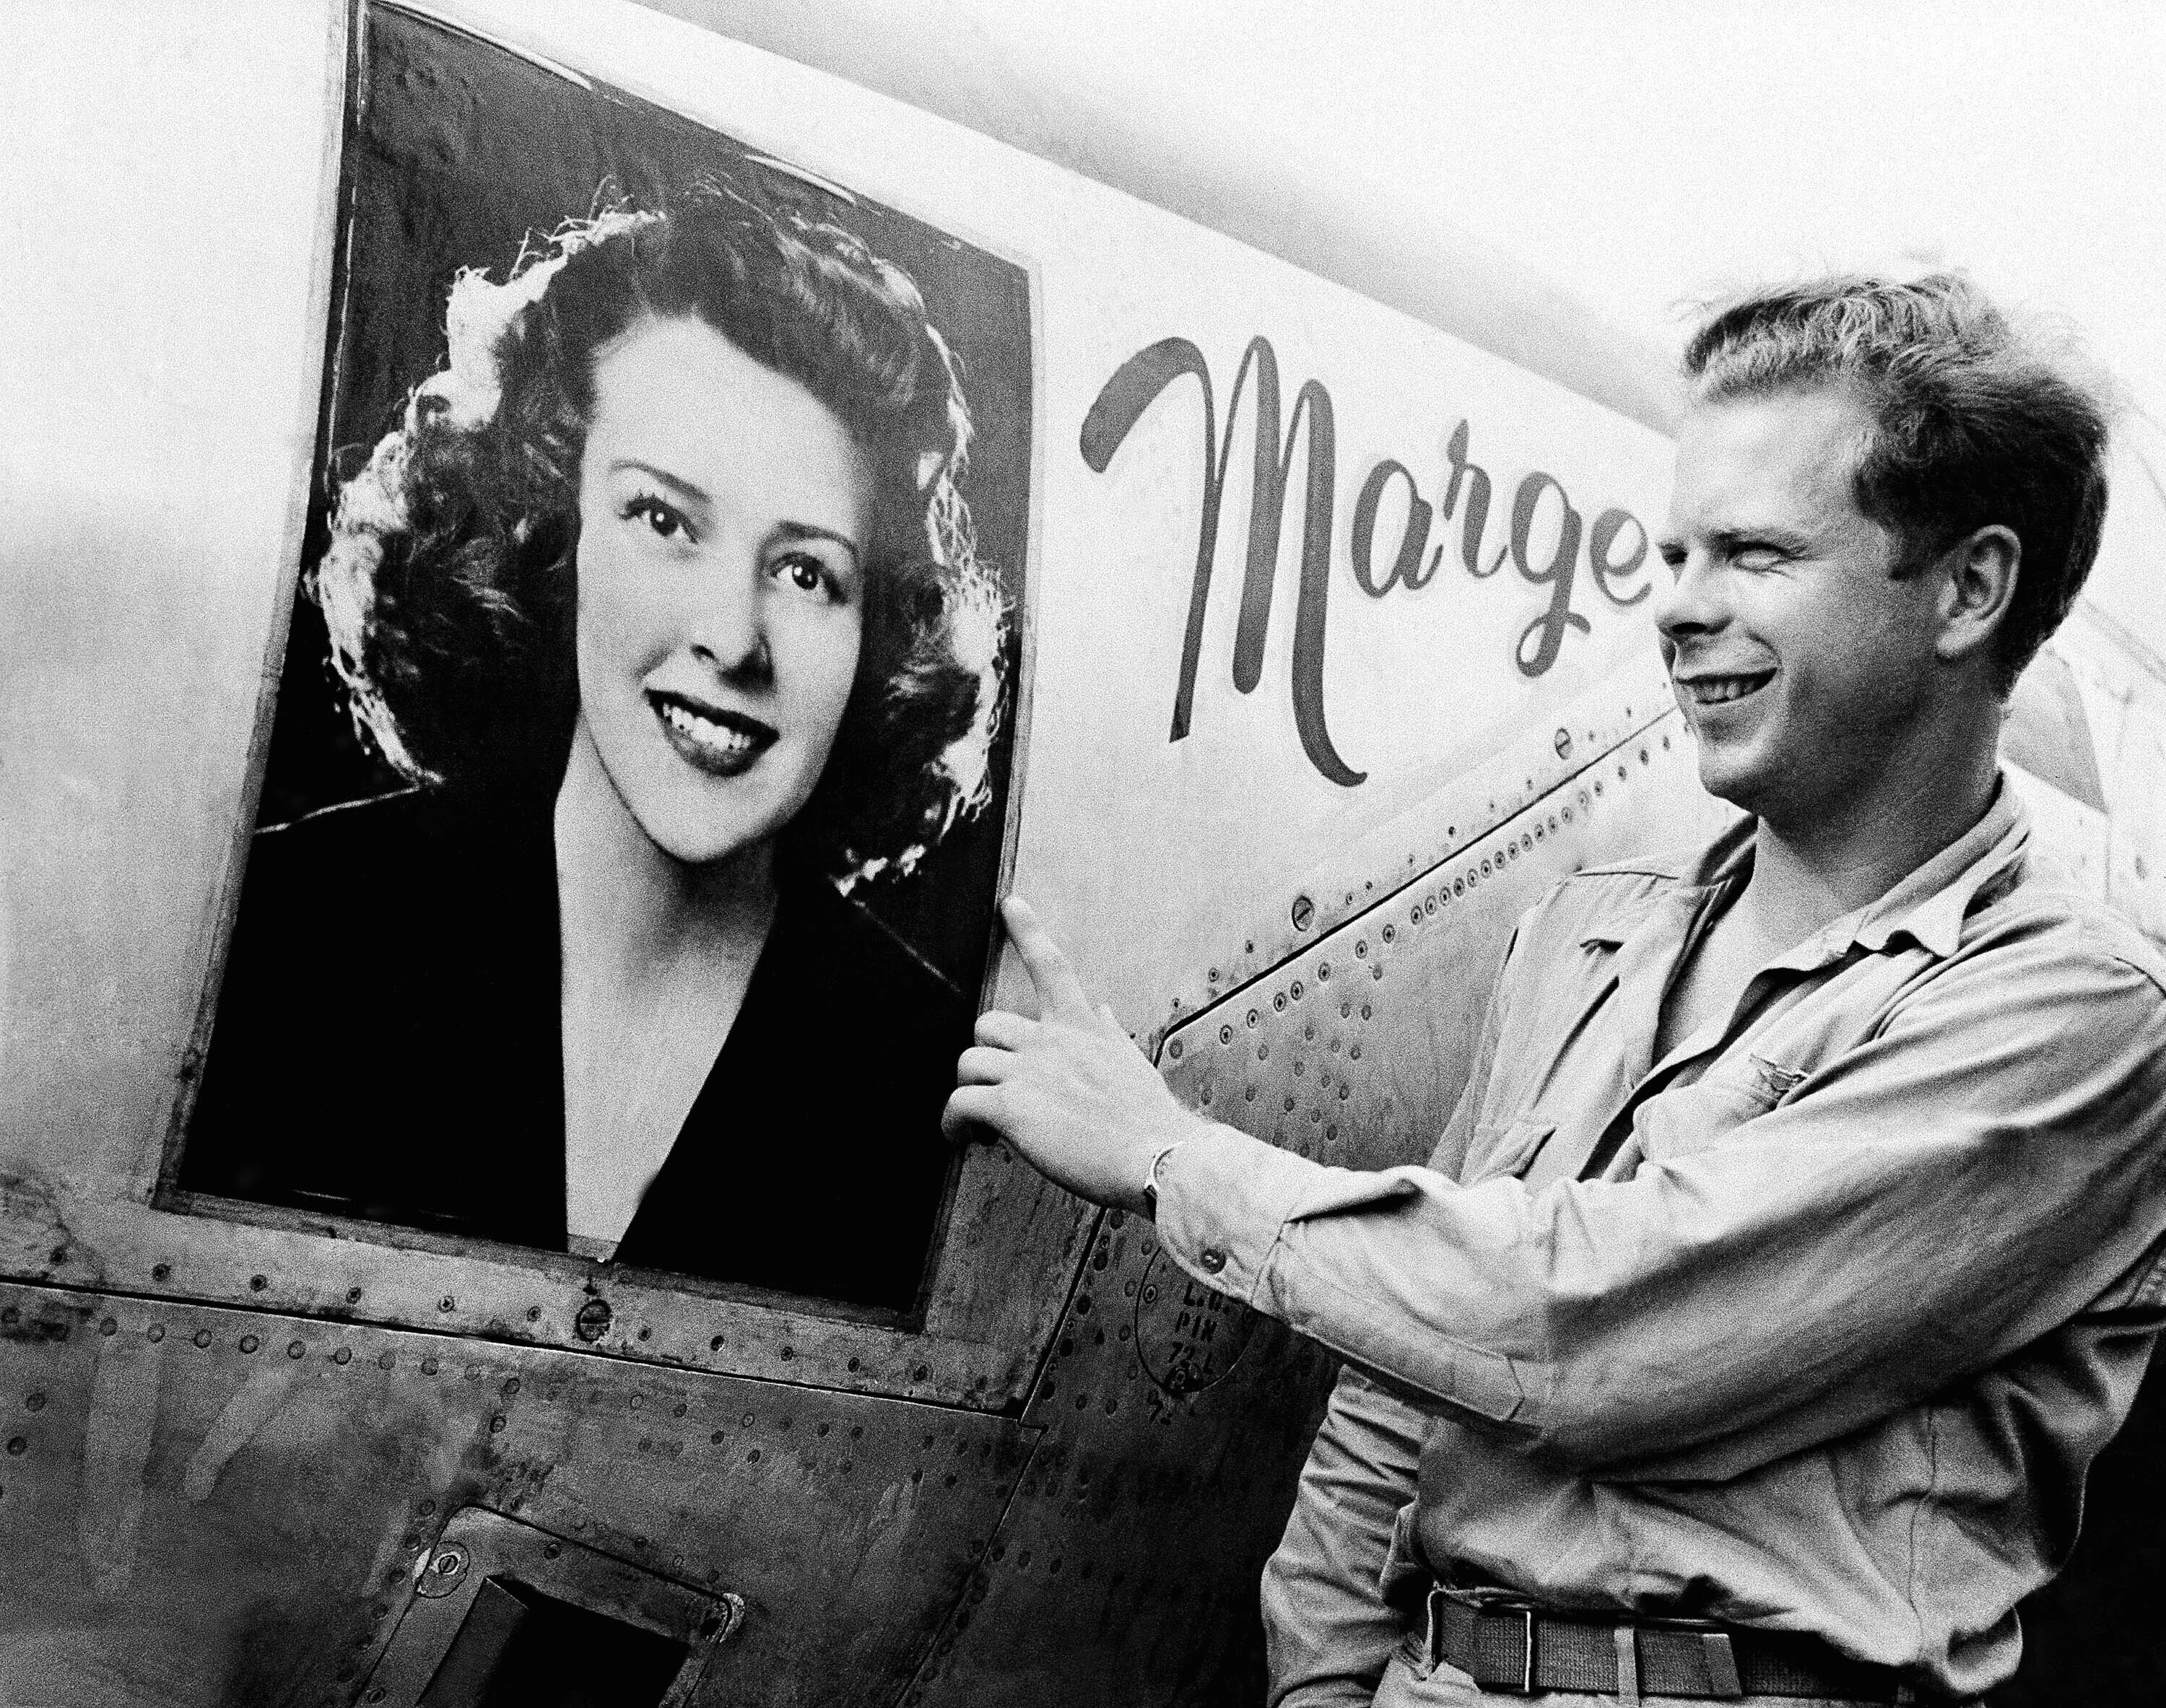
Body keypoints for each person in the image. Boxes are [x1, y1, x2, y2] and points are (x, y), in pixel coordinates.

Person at [949, 274, 2166, 1704]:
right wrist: (1328, 1688)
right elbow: (1405, 1381)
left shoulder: (2080, 1019)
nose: (1679, 608)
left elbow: (1590, 1331)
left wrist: (1169, 1156)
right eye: (1676, 551)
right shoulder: (1595, 926)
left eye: (1756, 553)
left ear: (1970, 587)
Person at [184, 181, 1009, 1312]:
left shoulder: (924, 1074)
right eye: (665, 520)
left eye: (808, 572)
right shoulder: (287, 926)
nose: (732, 637)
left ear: (878, 638)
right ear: (548, 527)